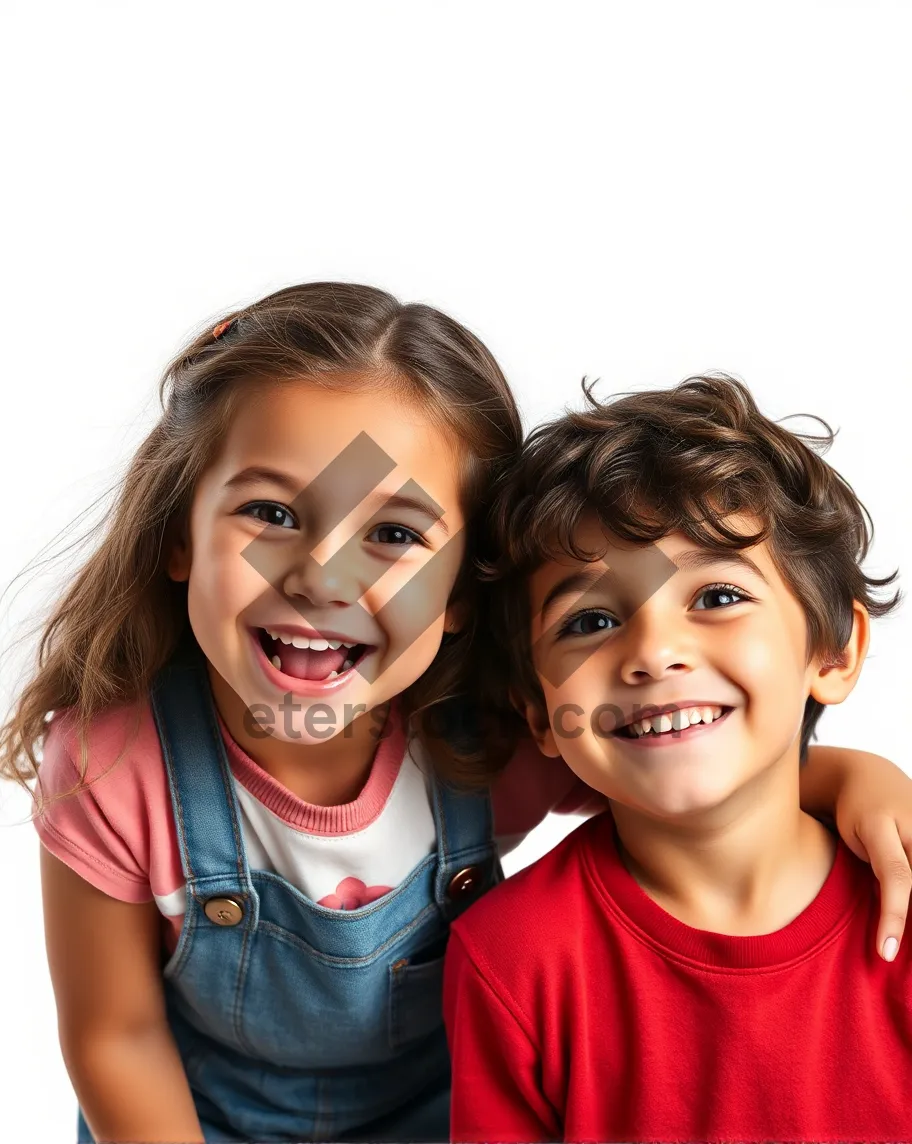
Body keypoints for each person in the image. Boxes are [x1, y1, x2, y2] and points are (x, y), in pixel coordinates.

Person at [0, 298, 908, 1144]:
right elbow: (113, 1039)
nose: (323, 580)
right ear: (178, 535)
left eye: (394, 535)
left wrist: (857, 778)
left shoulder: (492, 741)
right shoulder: (114, 761)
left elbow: (690, 776)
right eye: (271, 514)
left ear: (464, 593)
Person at [443, 373, 910, 1143]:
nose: (654, 652)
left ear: (833, 651)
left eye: (718, 597)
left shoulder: (903, 904)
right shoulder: (511, 959)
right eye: (590, 619)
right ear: (539, 713)